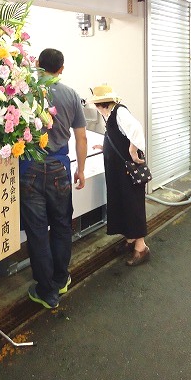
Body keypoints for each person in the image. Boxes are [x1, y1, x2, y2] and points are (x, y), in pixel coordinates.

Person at [20, 48, 87, 309]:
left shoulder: (25, 91)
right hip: (60, 168)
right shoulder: (72, 95)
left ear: (37, 64)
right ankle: (61, 279)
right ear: (61, 69)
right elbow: (81, 137)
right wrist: (81, 169)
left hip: (30, 168)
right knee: (61, 225)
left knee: (37, 231)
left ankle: (47, 292)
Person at [90, 85, 149, 266]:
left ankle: (141, 247)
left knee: (132, 204)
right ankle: (130, 239)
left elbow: (136, 130)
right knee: (122, 203)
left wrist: (133, 150)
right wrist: (105, 146)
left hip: (127, 169)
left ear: (100, 104)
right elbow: (118, 136)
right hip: (118, 170)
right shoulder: (110, 114)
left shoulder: (120, 112)